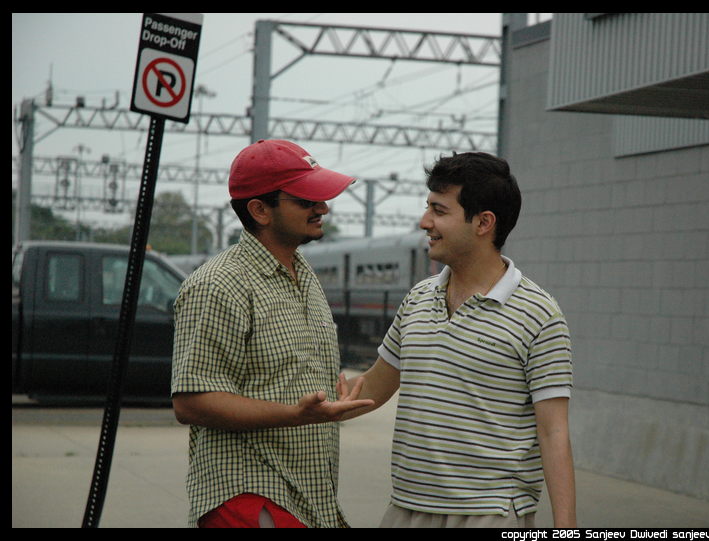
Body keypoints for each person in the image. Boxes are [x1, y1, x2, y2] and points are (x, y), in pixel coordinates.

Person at [337, 151, 577, 528]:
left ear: (483, 222)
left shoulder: (540, 314)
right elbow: (372, 388)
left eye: (439, 210)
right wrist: (304, 405)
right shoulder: (417, 298)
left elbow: (554, 431)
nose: (424, 222)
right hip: (406, 507)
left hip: (490, 513)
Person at [171, 139, 374, 528]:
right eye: (306, 199)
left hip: (307, 499)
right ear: (260, 210)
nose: (323, 208)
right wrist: (296, 415)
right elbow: (191, 402)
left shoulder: (303, 274)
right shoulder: (219, 284)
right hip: (252, 499)